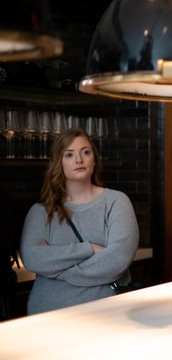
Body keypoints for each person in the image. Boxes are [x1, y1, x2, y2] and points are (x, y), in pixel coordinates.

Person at [20, 128, 139, 314]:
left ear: (94, 159)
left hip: (105, 313)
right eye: (69, 155)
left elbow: (117, 260)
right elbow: (32, 258)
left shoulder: (116, 202)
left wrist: (57, 269)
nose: (79, 160)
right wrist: (89, 248)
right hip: (46, 315)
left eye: (86, 152)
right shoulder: (40, 212)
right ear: (59, 162)